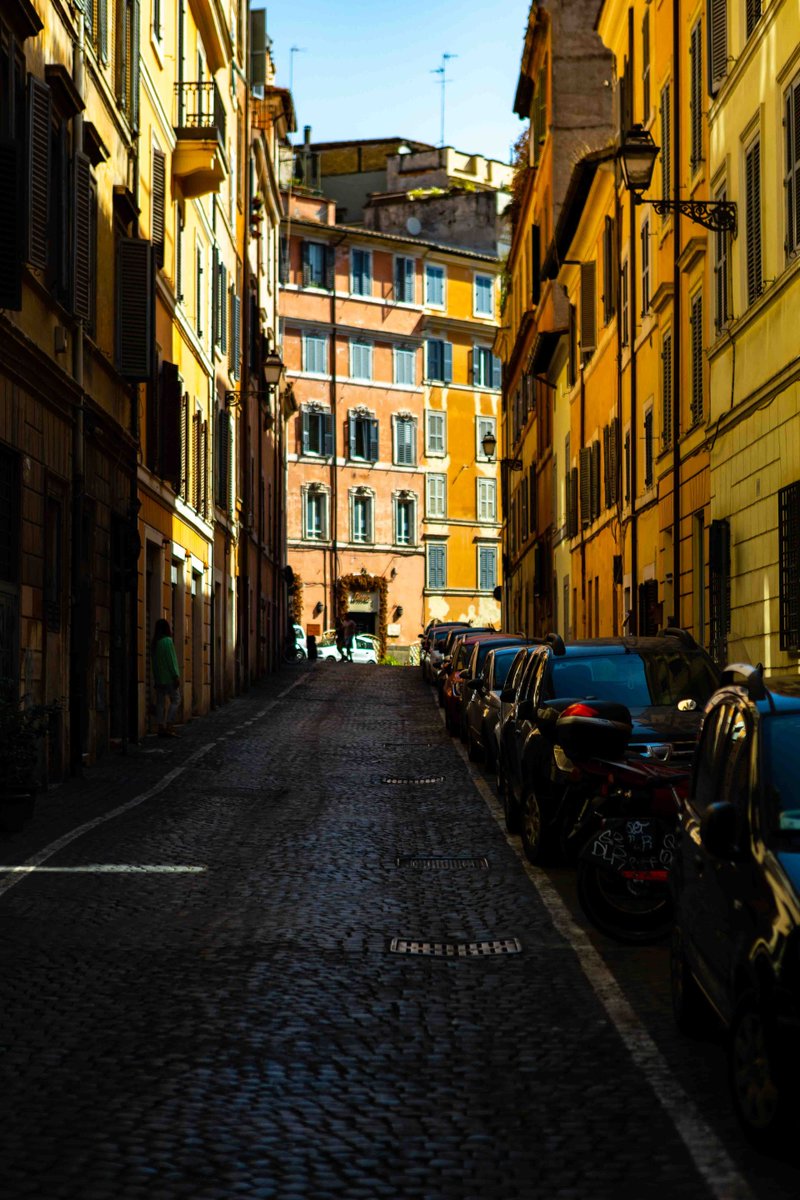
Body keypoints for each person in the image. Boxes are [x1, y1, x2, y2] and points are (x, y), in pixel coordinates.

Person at [151, 618, 181, 737]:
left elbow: (154, 663)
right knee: (176, 700)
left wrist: (156, 678)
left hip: (159, 679)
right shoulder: (168, 641)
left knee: (160, 703)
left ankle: (160, 727)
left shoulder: (155, 643)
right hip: (169, 678)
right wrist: (176, 675)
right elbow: (171, 660)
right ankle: (169, 724)